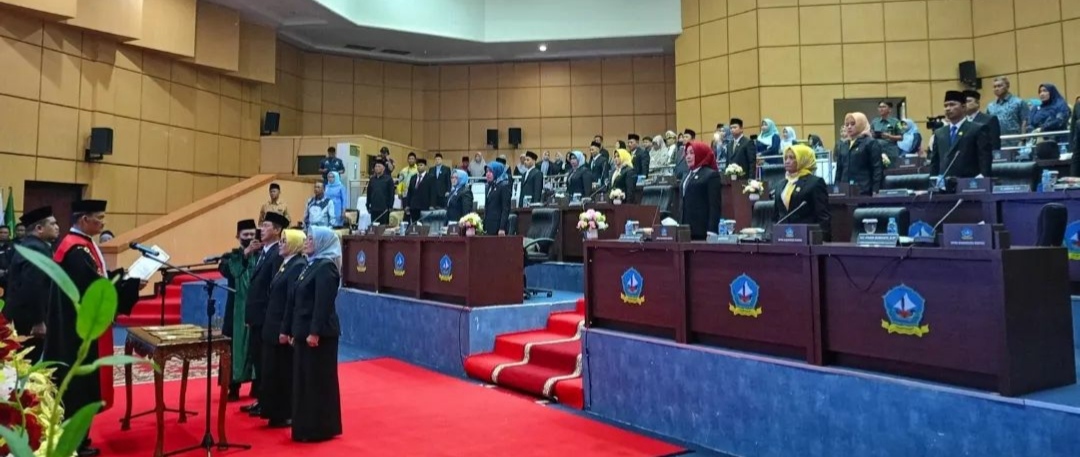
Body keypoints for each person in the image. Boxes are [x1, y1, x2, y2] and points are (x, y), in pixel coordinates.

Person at [46, 200, 141, 457]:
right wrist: (129, 287)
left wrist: (123, 278)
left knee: (84, 386)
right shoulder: (75, 250)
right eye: (99, 217)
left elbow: (97, 277)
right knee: (79, 388)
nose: (103, 222)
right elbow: (93, 288)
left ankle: (80, 439)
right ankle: (74, 444)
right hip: (76, 332)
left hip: (78, 327)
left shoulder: (82, 245)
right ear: (84, 219)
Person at [286, 226, 343, 443]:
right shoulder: (311, 265)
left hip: (320, 335)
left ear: (321, 242)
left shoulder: (326, 268)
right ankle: (305, 426)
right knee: (304, 381)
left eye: (311, 239)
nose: (306, 242)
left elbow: (322, 304)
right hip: (304, 331)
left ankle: (319, 427)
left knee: (316, 382)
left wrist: (314, 332)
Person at [240, 211, 287, 416]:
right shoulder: (263, 252)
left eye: (267, 226)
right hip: (256, 317)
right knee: (258, 360)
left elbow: (272, 289)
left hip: (265, 317)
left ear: (277, 230)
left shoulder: (276, 254)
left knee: (265, 362)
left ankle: (266, 401)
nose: (262, 229)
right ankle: (261, 399)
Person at [259, 228, 307, 428]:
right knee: (272, 371)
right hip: (272, 324)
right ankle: (273, 411)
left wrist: (285, 329)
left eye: (285, 241)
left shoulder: (297, 265)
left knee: (282, 372)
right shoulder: (285, 264)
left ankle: (284, 412)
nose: (280, 244)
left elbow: (290, 300)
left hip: (281, 326)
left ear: (295, 244)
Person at [3, 206, 59, 361]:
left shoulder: (30, 245)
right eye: (52, 224)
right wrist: (38, 321)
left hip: (21, 314)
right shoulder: (36, 249)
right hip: (28, 318)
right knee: (26, 361)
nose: (57, 227)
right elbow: (33, 286)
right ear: (39, 228)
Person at [218, 219, 259, 401]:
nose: (249, 237)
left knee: (256, 347)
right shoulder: (230, 257)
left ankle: (257, 387)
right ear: (238, 236)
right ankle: (233, 388)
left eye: (252, 234)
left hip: (257, 309)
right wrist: (245, 253)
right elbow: (228, 271)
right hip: (235, 311)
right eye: (245, 235)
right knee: (232, 349)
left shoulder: (262, 256)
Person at [930, 90, 993, 179]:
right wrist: (933, 180)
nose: (948, 108)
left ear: (963, 107)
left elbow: (985, 158)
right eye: (945, 106)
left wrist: (983, 177)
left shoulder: (977, 129)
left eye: (952, 105)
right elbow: (935, 162)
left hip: (969, 181)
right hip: (944, 182)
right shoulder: (939, 133)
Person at [775, 145, 831, 239]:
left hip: (806, 237)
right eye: (785, 158)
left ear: (803, 159)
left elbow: (823, 216)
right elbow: (776, 215)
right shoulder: (780, 184)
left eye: (792, 158)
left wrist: (823, 240)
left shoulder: (815, 182)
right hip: (783, 237)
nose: (787, 161)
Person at [680, 141, 722, 240]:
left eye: (692, 153)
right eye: (687, 153)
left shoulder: (711, 175)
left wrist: (712, 230)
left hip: (702, 230)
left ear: (700, 154)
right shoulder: (686, 175)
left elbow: (715, 205)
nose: (688, 157)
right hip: (684, 229)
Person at [836, 112, 885, 195]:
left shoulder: (870, 143)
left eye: (853, 124)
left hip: (864, 190)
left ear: (860, 124)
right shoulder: (843, 145)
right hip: (845, 190)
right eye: (847, 125)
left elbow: (877, 169)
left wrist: (875, 190)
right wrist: (836, 188)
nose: (849, 127)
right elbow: (839, 170)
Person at [986, 76, 1029, 147]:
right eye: (994, 87)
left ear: (1007, 86)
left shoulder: (1019, 102)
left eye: (999, 86)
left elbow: (1025, 122)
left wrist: (1022, 140)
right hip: (996, 143)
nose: (996, 89)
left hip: (1015, 142)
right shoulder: (990, 106)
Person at [483, 161, 512, 236]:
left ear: (497, 172)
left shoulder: (504, 186)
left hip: (498, 227)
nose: (487, 174)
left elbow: (505, 209)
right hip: (489, 226)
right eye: (486, 172)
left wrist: (502, 228)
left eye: (490, 171)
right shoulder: (489, 186)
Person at [405, 158, 437, 223]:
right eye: (418, 165)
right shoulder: (413, 177)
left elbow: (433, 192)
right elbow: (409, 192)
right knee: (414, 224)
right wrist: (407, 205)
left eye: (421, 165)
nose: (419, 167)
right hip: (414, 206)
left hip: (425, 205)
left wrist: (432, 205)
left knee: (423, 225)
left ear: (425, 166)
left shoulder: (430, 177)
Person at [365, 159, 395, 225]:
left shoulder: (388, 179)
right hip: (374, 208)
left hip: (384, 208)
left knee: (383, 227)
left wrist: (390, 206)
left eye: (379, 166)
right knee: (374, 226)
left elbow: (391, 194)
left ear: (383, 168)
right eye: (376, 166)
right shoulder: (372, 179)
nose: (377, 168)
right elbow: (369, 193)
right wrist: (368, 204)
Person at [0, 226, 11, 296]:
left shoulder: (14, 246)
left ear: (9, 234)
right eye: (1, 232)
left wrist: (5, 272)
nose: (3, 234)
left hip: (8, 280)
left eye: (5, 232)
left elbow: (15, 263)